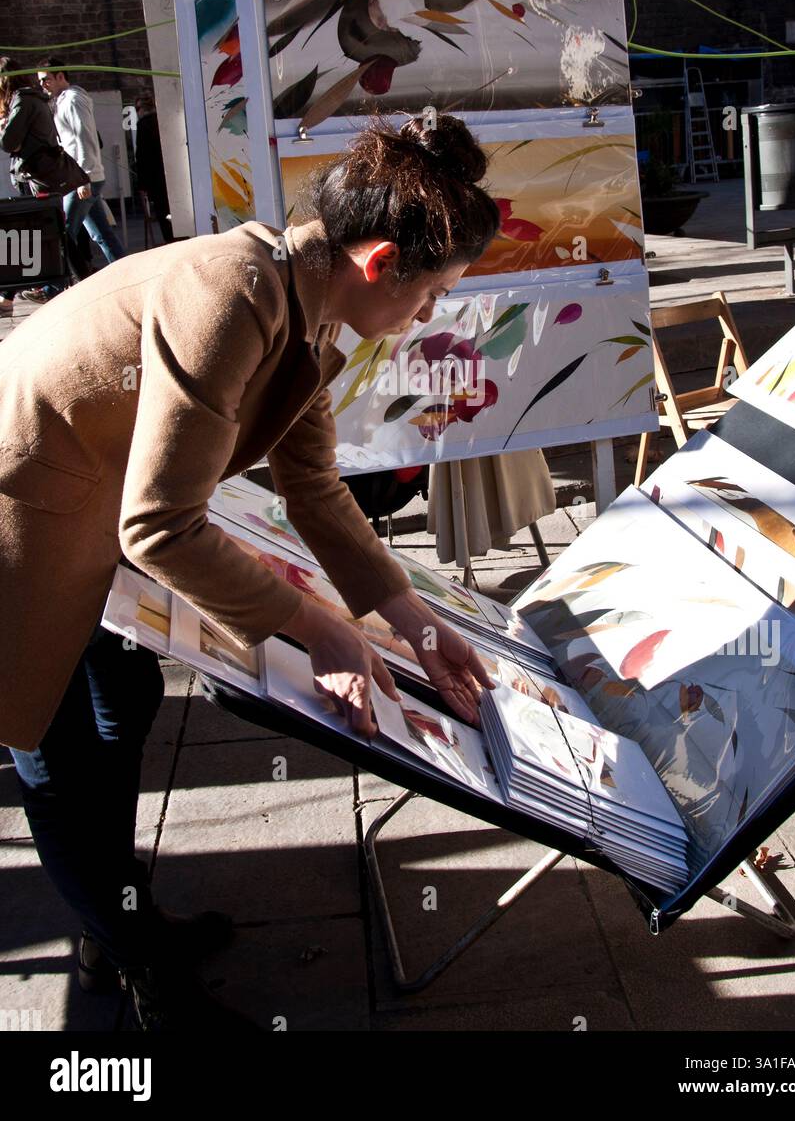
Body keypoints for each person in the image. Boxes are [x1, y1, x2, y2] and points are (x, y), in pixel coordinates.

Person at [0, 113, 500, 1031]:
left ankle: (113, 920)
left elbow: (312, 488)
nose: (428, 316)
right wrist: (322, 631)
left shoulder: (298, 295)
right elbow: (161, 527)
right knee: (60, 765)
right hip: (19, 529)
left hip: (86, 521)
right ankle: (142, 966)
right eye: (432, 293)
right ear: (382, 260)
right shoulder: (233, 295)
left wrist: (411, 619)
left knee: (124, 710)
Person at [0, 56, 89, 310]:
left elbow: (8, 142)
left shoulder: (23, 101)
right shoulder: (29, 100)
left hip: (35, 177)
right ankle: (10, 296)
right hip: (35, 175)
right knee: (46, 233)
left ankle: (8, 297)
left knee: (40, 233)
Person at [33, 59, 125, 302]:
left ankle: (51, 289)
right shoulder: (64, 100)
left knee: (63, 233)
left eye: (46, 79)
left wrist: (83, 179)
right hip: (84, 176)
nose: (43, 85)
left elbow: (84, 138)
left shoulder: (73, 100)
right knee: (101, 234)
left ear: (61, 76)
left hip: (83, 178)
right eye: (40, 81)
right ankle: (128, 275)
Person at [134, 90, 174, 243]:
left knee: (164, 216)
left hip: (156, 180)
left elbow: (142, 156)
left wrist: (142, 184)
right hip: (172, 176)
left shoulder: (144, 124)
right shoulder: (164, 120)